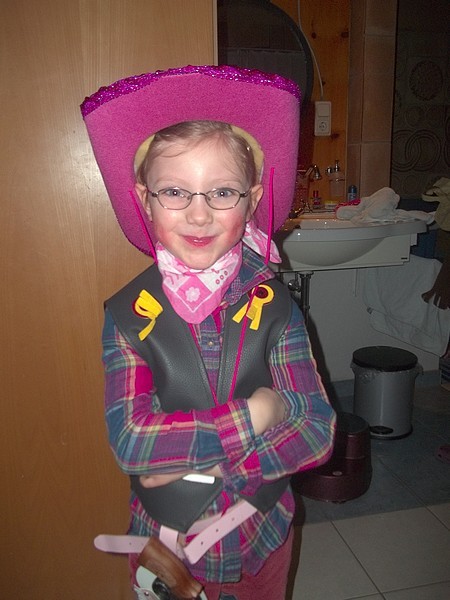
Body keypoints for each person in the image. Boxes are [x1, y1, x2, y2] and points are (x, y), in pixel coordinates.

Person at [81, 65, 336, 600]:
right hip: (168, 549)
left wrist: (211, 465)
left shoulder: (277, 308)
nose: (199, 215)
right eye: (175, 191)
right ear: (145, 199)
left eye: (222, 192)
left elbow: (316, 429)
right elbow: (133, 442)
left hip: (261, 535)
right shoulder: (128, 314)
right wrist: (260, 414)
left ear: (252, 200)